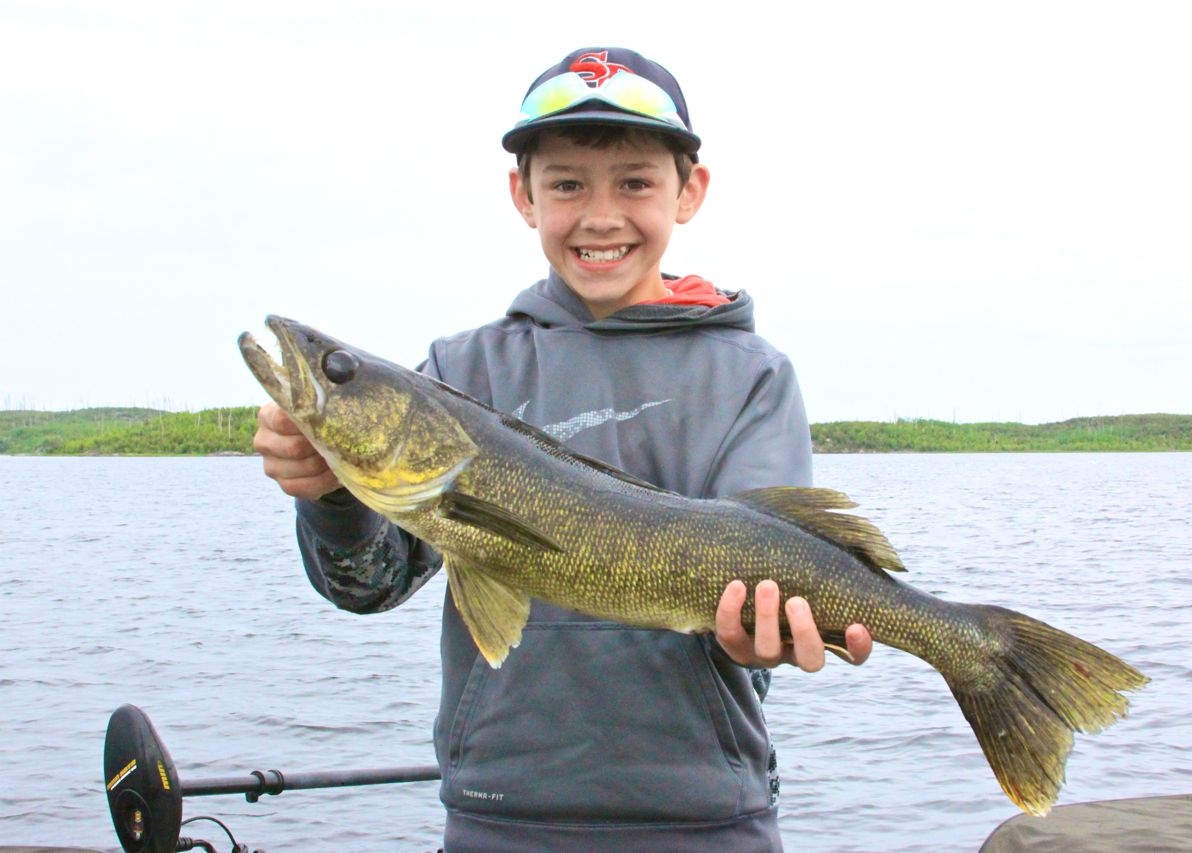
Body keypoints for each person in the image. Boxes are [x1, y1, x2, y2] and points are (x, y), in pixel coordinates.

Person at [254, 46, 872, 851]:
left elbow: (765, 596)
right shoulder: (461, 373)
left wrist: (768, 635)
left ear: (690, 192)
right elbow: (369, 586)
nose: (600, 214)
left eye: (636, 182)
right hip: (497, 814)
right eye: (568, 183)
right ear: (524, 194)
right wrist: (332, 497)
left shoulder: (751, 376)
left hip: (705, 819)